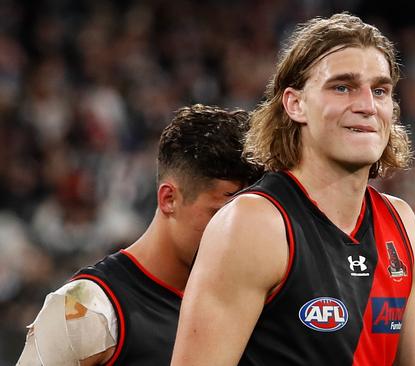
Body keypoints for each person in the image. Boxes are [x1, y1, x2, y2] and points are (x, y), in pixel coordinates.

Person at [172, 13, 415, 366]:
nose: (366, 105)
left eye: (380, 90)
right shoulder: (254, 225)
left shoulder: (399, 221)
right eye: (342, 87)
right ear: (295, 104)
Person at [17, 104, 263, 365]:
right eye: (220, 214)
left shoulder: (253, 307)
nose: (237, 233)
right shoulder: (89, 308)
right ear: (169, 199)